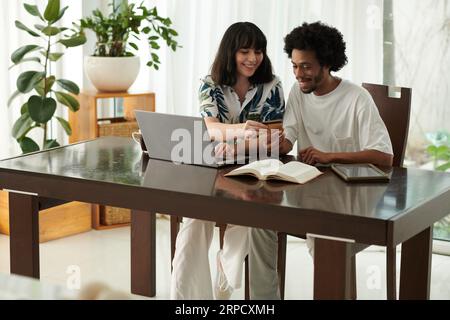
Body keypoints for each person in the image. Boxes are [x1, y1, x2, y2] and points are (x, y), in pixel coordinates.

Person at [247, 21, 394, 299]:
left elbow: (384, 156)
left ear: (327, 63)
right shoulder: (297, 93)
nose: (299, 74)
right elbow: (288, 138)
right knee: (259, 223)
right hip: (309, 194)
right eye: (294, 65)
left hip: (354, 202)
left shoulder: (356, 98)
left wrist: (329, 156)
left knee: (322, 233)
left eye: (306, 66)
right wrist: (271, 143)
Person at [170, 22, 285, 300]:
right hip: (213, 171)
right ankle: (187, 301)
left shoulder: (272, 85)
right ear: (230, 52)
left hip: (255, 172)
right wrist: (244, 132)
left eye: (258, 51)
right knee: (194, 222)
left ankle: (225, 278)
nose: (252, 58)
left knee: (249, 215)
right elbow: (210, 129)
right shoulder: (209, 84)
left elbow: (275, 134)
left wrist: (231, 139)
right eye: (244, 51)